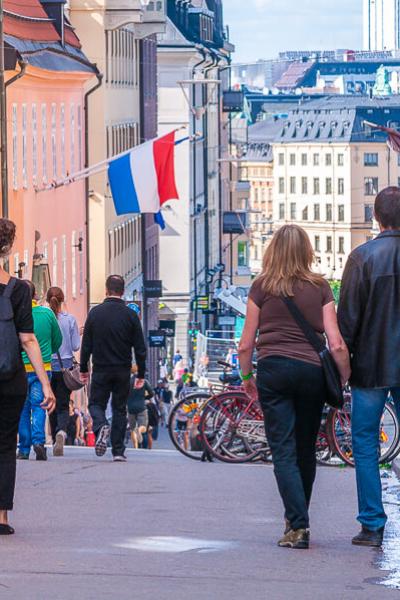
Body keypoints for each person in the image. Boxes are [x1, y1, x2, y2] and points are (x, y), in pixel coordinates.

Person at [239, 224, 350, 550]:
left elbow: (247, 344)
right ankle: (297, 520)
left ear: (273, 251)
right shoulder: (319, 288)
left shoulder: (261, 287)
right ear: (306, 251)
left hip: (273, 371)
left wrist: (247, 379)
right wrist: (342, 377)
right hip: (311, 373)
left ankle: (297, 525)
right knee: (305, 449)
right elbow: (337, 343)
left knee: (283, 449)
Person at [338, 186, 400, 548]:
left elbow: (348, 320)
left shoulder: (362, 258)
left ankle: (372, 524)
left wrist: (344, 367)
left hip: (370, 368)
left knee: (364, 445)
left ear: (376, 217)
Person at [0, 219, 55, 535]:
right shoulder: (19, 290)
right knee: (6, 446)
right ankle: (2, 517)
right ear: (7, 249)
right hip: (10, 379)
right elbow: (27, 339)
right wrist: (45, 383)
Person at [80, 275, 146, 462]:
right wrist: (141, 373)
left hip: (101, 368)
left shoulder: (95, 313)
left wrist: (84, 368)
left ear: (106, 290)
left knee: (95, 404)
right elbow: (140, 347)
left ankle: (101, 427)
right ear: (123, 291)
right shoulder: (131, 315)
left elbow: (87, 345)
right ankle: (118, 451)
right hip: (123, 370)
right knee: (119, 409)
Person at [18, 281, 62, 461]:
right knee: (39, 405)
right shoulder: (47, 313)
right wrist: (46, 351)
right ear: (35, 295)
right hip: (42, 368)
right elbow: (58, 341)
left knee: (22, 408)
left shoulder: (16, 314)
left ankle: (24, 448)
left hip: (20, 368)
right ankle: (39, 441)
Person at [46, 286, 81, 457]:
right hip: (65, 366)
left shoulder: (44, 318)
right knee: (63, 403)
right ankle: (61, 431)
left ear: (47, 300)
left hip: (46, 366)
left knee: (50, 403)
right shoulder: (70, 320)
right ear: (62, 300)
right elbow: (75, 346)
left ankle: (54, 438)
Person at [127, 367, 153, 449]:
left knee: (132, 428)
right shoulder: (144, 381)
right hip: (141, 406)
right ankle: (139, 430)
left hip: (130, 407)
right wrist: (145, 398)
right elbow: (151, 393)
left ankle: (135, 447)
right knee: (144, 427)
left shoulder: (128, 382)